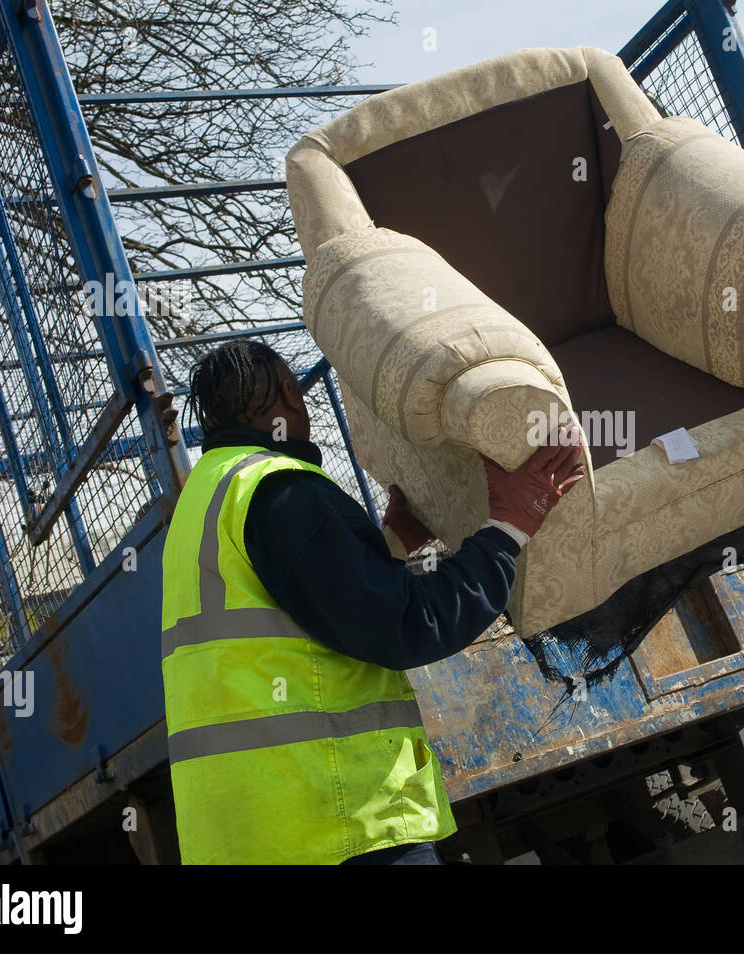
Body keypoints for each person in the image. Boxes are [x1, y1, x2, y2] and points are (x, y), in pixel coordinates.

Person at [160, 339, 584, 864]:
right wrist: (508, 528)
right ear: (291, 394)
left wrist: (390, 545)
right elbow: (406, 624)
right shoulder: (279, 490)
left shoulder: (206, 498)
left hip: (249, 838)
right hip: (336, 822)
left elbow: (299, 601)